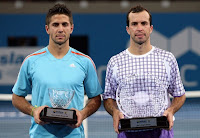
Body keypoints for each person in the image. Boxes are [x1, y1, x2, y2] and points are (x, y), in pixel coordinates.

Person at [12, 4, 102, 138]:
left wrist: (82, 114)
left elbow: (95, 98)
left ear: (71, 28)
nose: (60, 29)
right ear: (47, 29)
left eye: (65, 24)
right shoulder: (31, 61)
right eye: (55, 25)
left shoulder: (85, 61)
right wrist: (33, 111)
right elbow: (16, 97)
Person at [103, 5, 186, 138]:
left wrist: (171, 110)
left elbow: (180, 95)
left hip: (161, 131)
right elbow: (108, 98)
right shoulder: (115, 62)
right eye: (134, 24)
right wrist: (115, 112)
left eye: (144, 23)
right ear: (128, 29)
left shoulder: (167, 59)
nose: (139, 28)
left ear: (151, 28)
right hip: (127, 131)